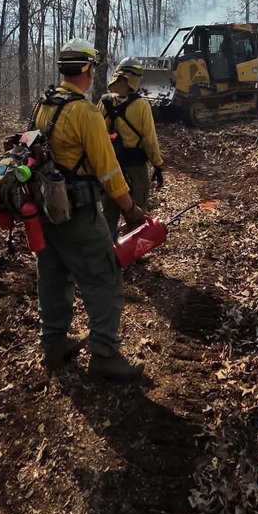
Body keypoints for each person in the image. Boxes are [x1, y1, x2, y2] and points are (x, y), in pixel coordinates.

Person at [30, 39, 147, 381]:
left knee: (52, 276)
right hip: (78, 214)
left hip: (45, 209)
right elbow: (108, 170)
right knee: (104, 277)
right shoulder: (85, 112)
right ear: (87, 69)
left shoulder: (45, 104)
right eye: (93, 67)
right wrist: (130, 209)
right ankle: (105, 355)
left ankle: (53, 345)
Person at [97, 57, 165, 237]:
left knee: (108, 209)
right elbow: (150, 140)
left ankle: (108, 250)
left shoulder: (104, 102)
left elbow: (97, 135)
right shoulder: (142, 105)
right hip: (135, 168)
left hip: (110, 167)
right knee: (137, 209)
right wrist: (157, 164)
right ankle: (136, 248)